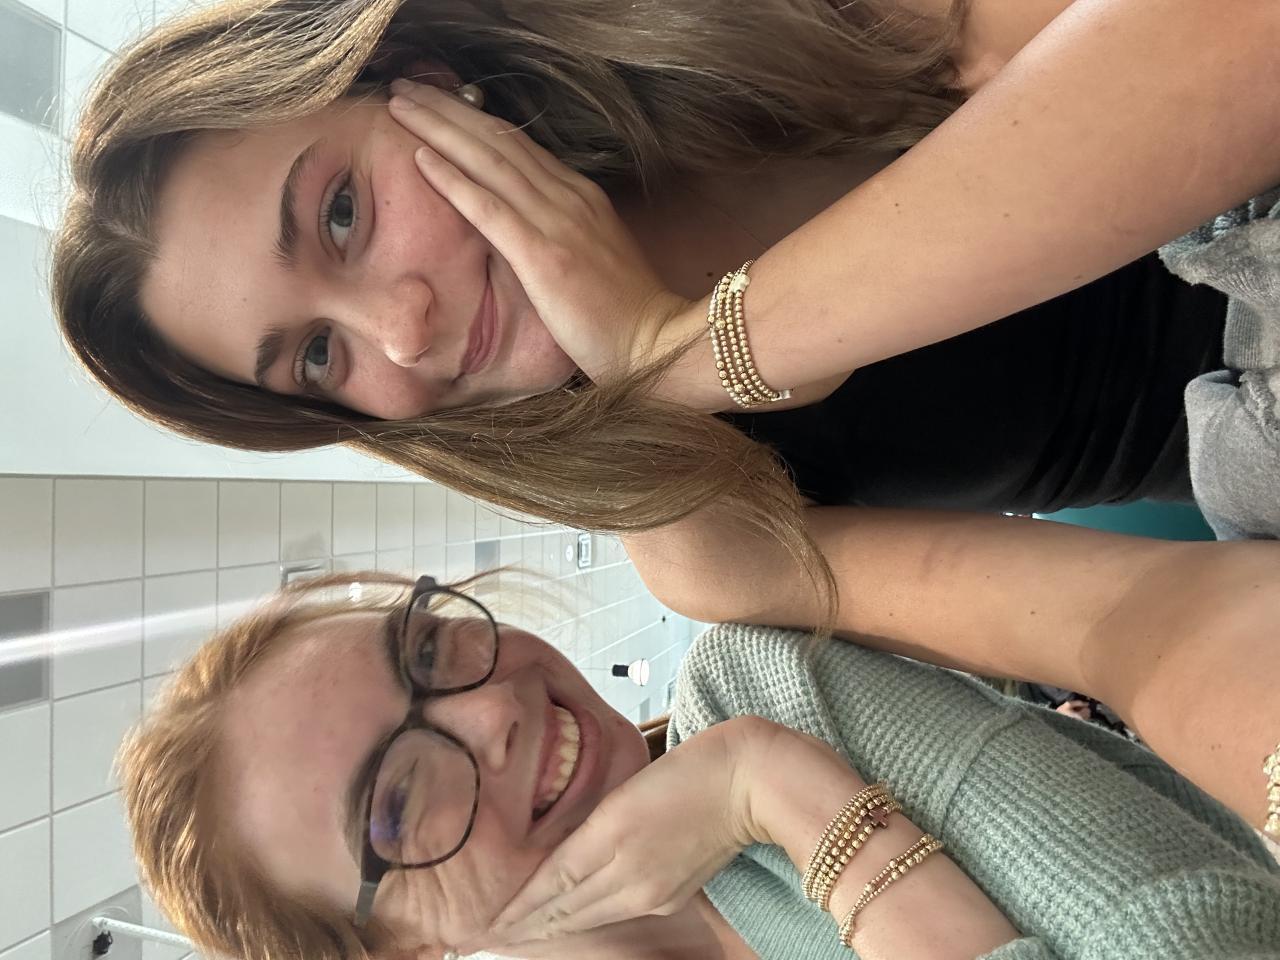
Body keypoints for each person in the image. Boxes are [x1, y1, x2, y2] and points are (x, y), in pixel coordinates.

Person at [55, 0, 1280, 835]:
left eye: (340, 214)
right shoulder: (690, 523)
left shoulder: (766, 27)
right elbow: (1139, 631)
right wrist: (685, 384)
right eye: (319, 357)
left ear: (415, 79)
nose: (402, 330)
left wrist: (697, 347)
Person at [118, 572, 1280, 960]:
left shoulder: (765, 698)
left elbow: (1209, 938)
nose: (490, 713)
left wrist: (780, 791)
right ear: (396, 948)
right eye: (400, 798)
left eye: (429, 651)